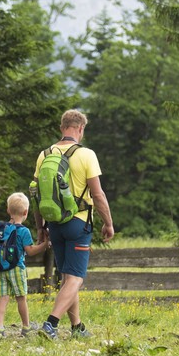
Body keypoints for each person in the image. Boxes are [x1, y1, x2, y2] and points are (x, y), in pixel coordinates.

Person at [36, 109, 114, 340]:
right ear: (81, 128)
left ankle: (77, 327)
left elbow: (37, 193)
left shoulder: (45, 154)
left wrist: (40, 228)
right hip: (78, 223)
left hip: (54, 224)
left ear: (62, 127)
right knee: (75, 278)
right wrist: (108, 223)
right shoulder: (86, 155)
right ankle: (51, 324)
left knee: (67, 276)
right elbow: (97, 195)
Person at [0, 192, 49, 339]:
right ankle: (26, 327)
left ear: (8, 210)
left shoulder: (1, 229)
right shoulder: (24, 231)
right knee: (21, 298)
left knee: (3, 297)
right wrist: (43, 245)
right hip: (17, 268)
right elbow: (29, 251)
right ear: (25, 212)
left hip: (1, 268)